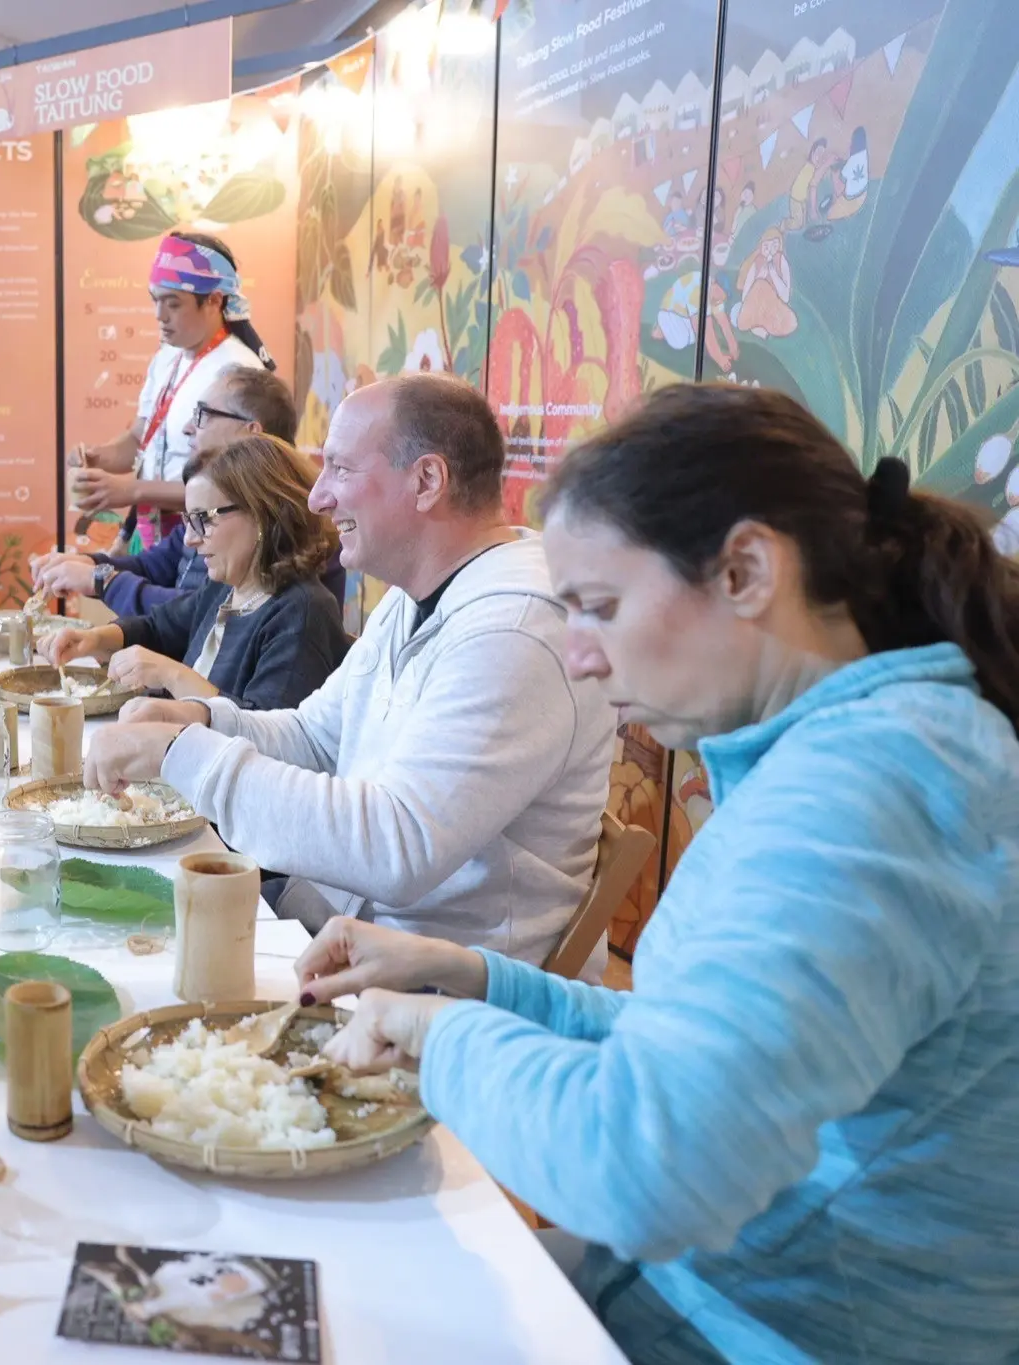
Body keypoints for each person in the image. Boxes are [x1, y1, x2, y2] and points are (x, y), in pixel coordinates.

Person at [312, 383, 1019, 1364]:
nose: (578, 655)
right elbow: (691, 1051)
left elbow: (650, 1170)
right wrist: (474, 979)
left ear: (743, 570)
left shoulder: (868, 789)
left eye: (597, 607)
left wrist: (438, 1037)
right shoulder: (837, 754)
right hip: (687, 1298)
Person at [86, 373, 615, 971]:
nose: (317, 498)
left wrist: (185, 754)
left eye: (340, 470)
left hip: (434, 997)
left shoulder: (517, 630)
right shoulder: (414, 595)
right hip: (333, 926)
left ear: (427, 481)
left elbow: (399, 848)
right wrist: (201, 717)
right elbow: (316, 737)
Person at [46, 434, 347, 712]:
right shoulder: (227, 587)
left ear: (262, 515)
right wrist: (94, 639)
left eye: (203, 519)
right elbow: (159, 626)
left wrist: (171, 675)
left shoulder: (303, 611)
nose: (190, 538)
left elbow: (269, 734)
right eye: (188, 520)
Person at [31, 363, 322, 615]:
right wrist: (87, 563)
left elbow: (198, 613)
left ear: (251, 432)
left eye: (203, 415)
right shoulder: (222, 497)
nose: (187, 428)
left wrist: (100, 579)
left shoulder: (267, 515)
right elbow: (154, 566)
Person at [69, 232, 274, 551]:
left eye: (173, 304)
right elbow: (140, 438)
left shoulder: (238, 371)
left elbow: (232, 482)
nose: (159, 315)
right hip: (152, 535)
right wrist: (99, 457)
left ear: (215, 301)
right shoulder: (168, 356)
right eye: (156, 300)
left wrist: (134, 490)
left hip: (204, 538)